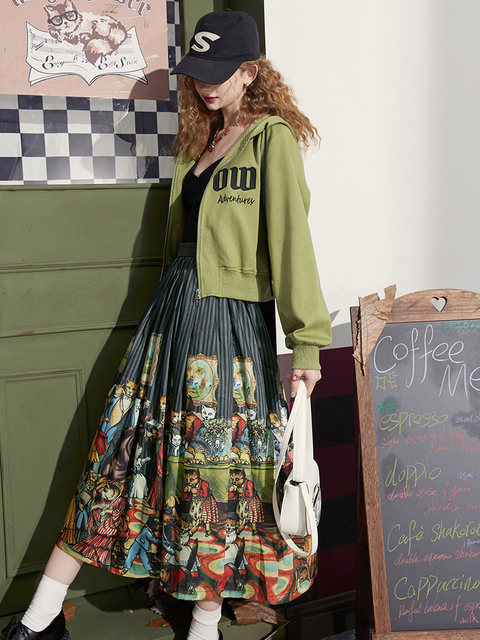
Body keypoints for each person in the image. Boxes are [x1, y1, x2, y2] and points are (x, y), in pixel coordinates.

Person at [6, 9, 331, 640]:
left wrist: (309, 345)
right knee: (119, 452)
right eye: (197, 73)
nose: (205, 85)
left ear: (251, 71)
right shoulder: (201, 141)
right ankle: (39, 619)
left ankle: (204, 627)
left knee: (217, 475)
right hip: (173, 316)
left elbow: (293, 245)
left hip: (230, 328)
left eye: (218, 72)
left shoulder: (272, 141)